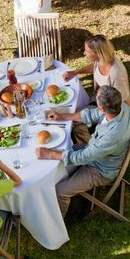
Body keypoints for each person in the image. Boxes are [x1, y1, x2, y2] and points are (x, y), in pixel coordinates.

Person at [36, 86, 130, 218]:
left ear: (103, 108)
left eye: (97, 99)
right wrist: (63, 116)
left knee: (60, 191)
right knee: (59, 153)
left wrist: (50, 154)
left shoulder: (112, 136)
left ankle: (57, 223)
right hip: (94, 153)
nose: (95, 93)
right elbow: (91, 114)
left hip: (100, 169)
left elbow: (84, 157)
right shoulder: (119, 107)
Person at [63, 34, 130, 106]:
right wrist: (75, 72)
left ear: (98, 53)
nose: (84, 53)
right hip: (99, 98)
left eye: (87, 51)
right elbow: (95, 67)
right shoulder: (102, 59)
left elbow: (125, 100)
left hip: (110, 108)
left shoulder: (116, 75)